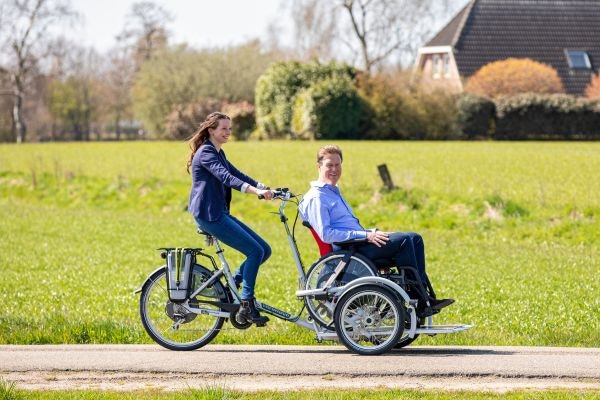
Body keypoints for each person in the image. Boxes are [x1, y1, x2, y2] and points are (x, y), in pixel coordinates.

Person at [297, 144, 454, 316]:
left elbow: (347, 227)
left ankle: (423, 297)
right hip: (348, 253)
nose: (334, 169)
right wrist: (367, 235)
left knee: (415, 238)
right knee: (403, 241)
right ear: (319, 166)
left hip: (358, 244)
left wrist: (370, 232)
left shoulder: (333, 192)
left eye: (338, 165)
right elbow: (327, 234)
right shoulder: (317, 197)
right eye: (329, 165)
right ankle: (416, 299)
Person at [187, 111, 272, 326]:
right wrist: (254, 192)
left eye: (229, 128)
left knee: (264, 250)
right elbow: (226, 177)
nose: (228, 132)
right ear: (211, 130)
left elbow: (237, 173)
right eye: (224, 128)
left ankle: (232, 284)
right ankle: (246, 303)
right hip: (209, 216)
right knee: (254, 252)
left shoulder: (218, 152)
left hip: (219, 212)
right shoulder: (206, 153)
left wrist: (263, 187)